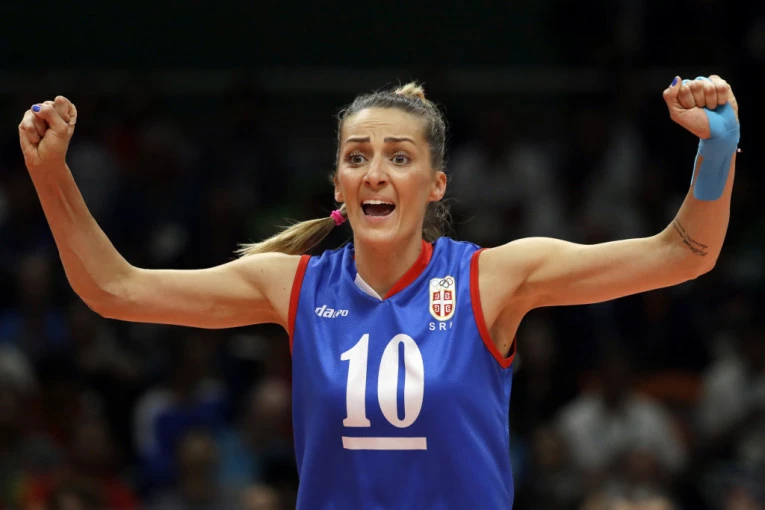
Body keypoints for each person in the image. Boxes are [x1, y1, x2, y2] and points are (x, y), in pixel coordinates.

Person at [17, 75, 739, 509]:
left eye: (399, 157)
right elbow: (114, 289)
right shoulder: (294, 285)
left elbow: (684, 252)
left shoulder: (491, 280)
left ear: (436, 184)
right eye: (357, 157)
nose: (375, 173)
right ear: (338, 184)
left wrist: (715, 148)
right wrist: (51, 176)